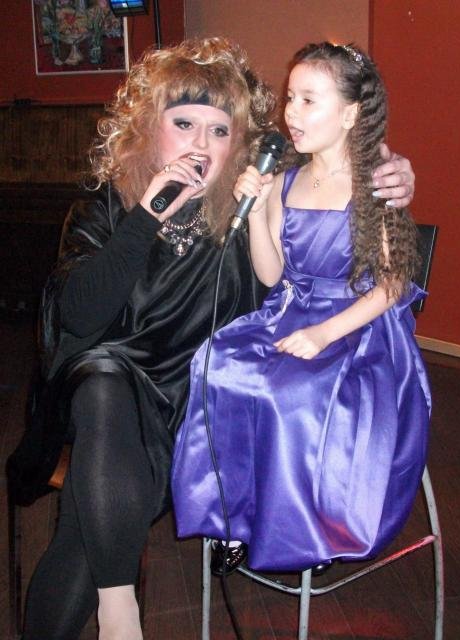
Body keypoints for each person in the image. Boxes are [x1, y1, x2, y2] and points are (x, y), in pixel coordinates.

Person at [6, 38, 415, 639]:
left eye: (219, 131)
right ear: (149, 128)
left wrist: (387, 163)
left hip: (200, 407)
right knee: (103, 382)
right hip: (106, 408)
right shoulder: (108, 208)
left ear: (237, 144)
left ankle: (114, 606)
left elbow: (324, 177)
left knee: (83, 528)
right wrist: (147, 216)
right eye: (183, 124)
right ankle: (121, 611)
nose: (200, 144)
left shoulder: (244, 211)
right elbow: (79, 318)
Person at [171, 42, 431, 577]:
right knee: (216, 366)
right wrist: (258, 207)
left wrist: (324, 334)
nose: (292, 112)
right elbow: (271, 275)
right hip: (290, 312)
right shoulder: (287, 179)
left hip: (355, 325)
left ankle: (310, 526)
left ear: (351, 114)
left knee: (289, 394)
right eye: (291, 98)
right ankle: (235, 518)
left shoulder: (376, 182)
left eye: (309, 100)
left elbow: (391, 284)